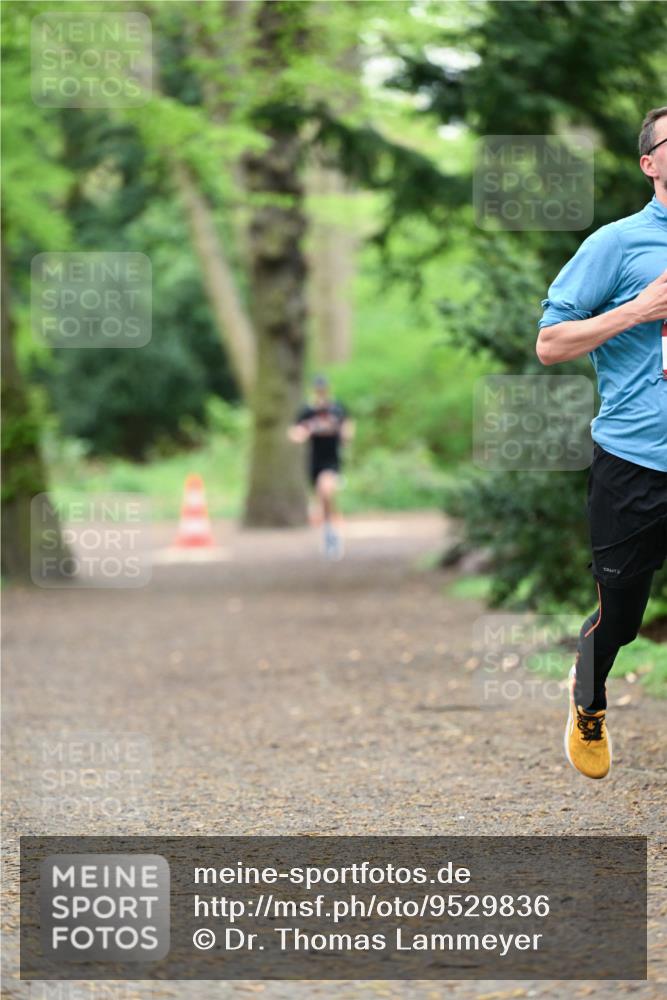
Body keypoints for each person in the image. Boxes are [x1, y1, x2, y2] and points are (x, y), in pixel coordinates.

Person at [536, 106, 667, 780]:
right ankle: (587, 697)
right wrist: (639, 312)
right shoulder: (615, 245)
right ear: (648, 163)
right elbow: (550, 344)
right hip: (635, 461)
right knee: (618, 617)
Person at [288, 375, 354, 559]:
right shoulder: (308, 411)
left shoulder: (337, 409)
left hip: (332, 461)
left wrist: (342, 433)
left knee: (325, 490)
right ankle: (331, 531)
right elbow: (295, 433)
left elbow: (348, 430)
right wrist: (307, 430)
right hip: (314, 462)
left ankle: (332, 529)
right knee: (323, 500)